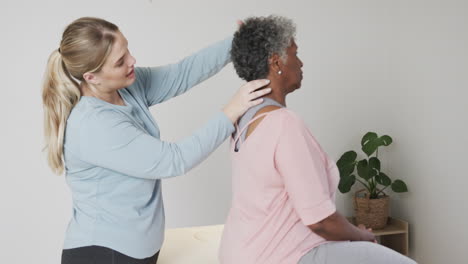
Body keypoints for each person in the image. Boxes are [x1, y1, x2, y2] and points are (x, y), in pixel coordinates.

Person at [41, 17, 271, 264]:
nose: (132, 61)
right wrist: (232, 110)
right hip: (105, 253)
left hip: (134, 251)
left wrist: (236, 42)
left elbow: (182, 74)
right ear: (91, 77)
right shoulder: (94, 125)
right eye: (120, 62)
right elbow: (175, 160)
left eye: (126, 50)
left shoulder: (125, 87)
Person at [218, 15, 417, 264]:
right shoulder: (284, 123)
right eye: (295, 53)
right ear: (276, 62)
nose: (300, 63)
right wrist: (361, 235)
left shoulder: (242, 120)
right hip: (283, 256)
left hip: (239, 252)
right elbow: (321, 222)